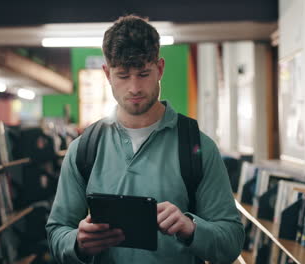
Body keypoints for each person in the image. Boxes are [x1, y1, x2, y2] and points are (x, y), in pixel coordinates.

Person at [46, 15, 244, 264]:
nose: (134, 88)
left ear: (159, 68)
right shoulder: (83, 149)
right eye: (122, 75)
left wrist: (191, 228)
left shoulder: (199, 147)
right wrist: (77, 242)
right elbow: (56, 234)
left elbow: (232, 242)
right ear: (107, 74)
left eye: (143, 73)